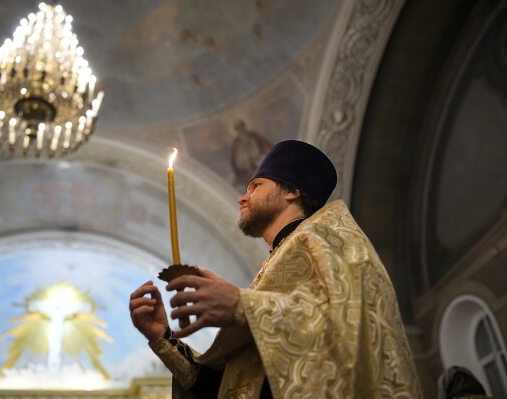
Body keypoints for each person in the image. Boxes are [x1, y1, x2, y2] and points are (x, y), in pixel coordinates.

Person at [129, 140, 423, 398]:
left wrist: (243, 306)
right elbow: (229, 386)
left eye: (256, 186)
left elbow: (350, 327)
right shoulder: (272, 270)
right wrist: (162, 337)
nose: (242, 197)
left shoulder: (329, 237)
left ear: (292, 191)